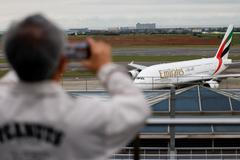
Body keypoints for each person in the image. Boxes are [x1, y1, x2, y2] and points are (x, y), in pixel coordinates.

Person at [0, 14, 151, 160]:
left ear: (11, 59)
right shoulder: (84, 115)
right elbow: (137, 107)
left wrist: (23, 61)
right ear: (63, 62)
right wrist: (105, 67)